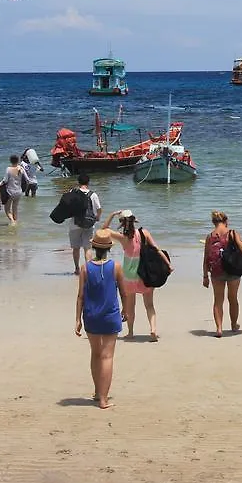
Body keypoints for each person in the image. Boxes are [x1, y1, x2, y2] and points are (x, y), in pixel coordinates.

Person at [75, 229, 127, 409]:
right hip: (110, 316)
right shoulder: (116, 267)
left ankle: (98, 392)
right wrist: (126, 310)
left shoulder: (85, 268)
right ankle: (104, 399)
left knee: (96, 354)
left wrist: (77, 320)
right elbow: (123, 292)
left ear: (94, 247)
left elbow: (80, 296)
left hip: (91, 316)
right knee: (107, 356)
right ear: (109, 248)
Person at [101, 209, 170, 342]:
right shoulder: (144, 233)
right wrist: (168, 264)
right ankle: (153, 329)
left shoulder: (122, 238)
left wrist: (113, 214)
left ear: (122, 223)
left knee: (130, 306)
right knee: (149, 305)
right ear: (134, 220)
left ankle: (131, 332)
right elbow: (157, 248)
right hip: (145, 274)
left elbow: (104, 230)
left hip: (129, 276)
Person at [202, 211, 242, 338]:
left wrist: (205, 276)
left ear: (213, 222)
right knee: (233, 299)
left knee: (218, 300)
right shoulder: (232, 233)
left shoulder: (210, 236)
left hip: (216, 271)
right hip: (233, 270)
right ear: (226, 221)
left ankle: (219, 328)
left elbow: (206, 257)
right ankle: (233, 325)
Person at [69, 173, 102, 274]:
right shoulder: (93, 194)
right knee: (87, 248)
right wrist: (97, 218)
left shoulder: (72, 192)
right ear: (88, 182)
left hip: (74, 224)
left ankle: (77, 269)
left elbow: (67, 206)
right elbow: (99, 209)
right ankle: (88, 270)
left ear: (78, 182)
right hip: (89, 224)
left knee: (75, 248)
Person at [0, 155, 26, 224]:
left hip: (10, 192)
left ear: (10, 161)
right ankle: (15, 222)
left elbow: (5, 180)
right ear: (18, 160)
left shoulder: (8, 169)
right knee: (15, 208)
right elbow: (27, 180)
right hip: (19, 192)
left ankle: (12, 221)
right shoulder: (21, 169)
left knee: (7, 210)